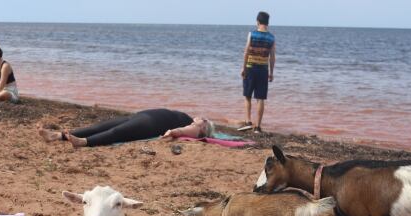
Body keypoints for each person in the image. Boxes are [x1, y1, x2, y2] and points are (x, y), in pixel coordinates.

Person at [38, 109, 213, 147]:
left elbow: (181, 132)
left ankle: (83, 142)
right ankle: (56, 136)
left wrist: (171, 133)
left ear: (204, 127)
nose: (201, 117)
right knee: (99, 126)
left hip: (151, 124)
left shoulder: (197, 128)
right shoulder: (192, 120)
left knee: (117, 133)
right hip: (142, 116)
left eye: (204, 121)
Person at [240, 11, 276, 133]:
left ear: (258, 22)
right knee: (260, 98)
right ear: (267, 23)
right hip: (263, 70)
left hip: (250, 68)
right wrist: (271, 73)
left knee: (247, 96)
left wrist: (243, 68)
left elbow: (246, 52)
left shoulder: (252, 34)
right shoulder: (271, 38)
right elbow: (272, 57)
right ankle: (258, 127)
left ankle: (248, 121)